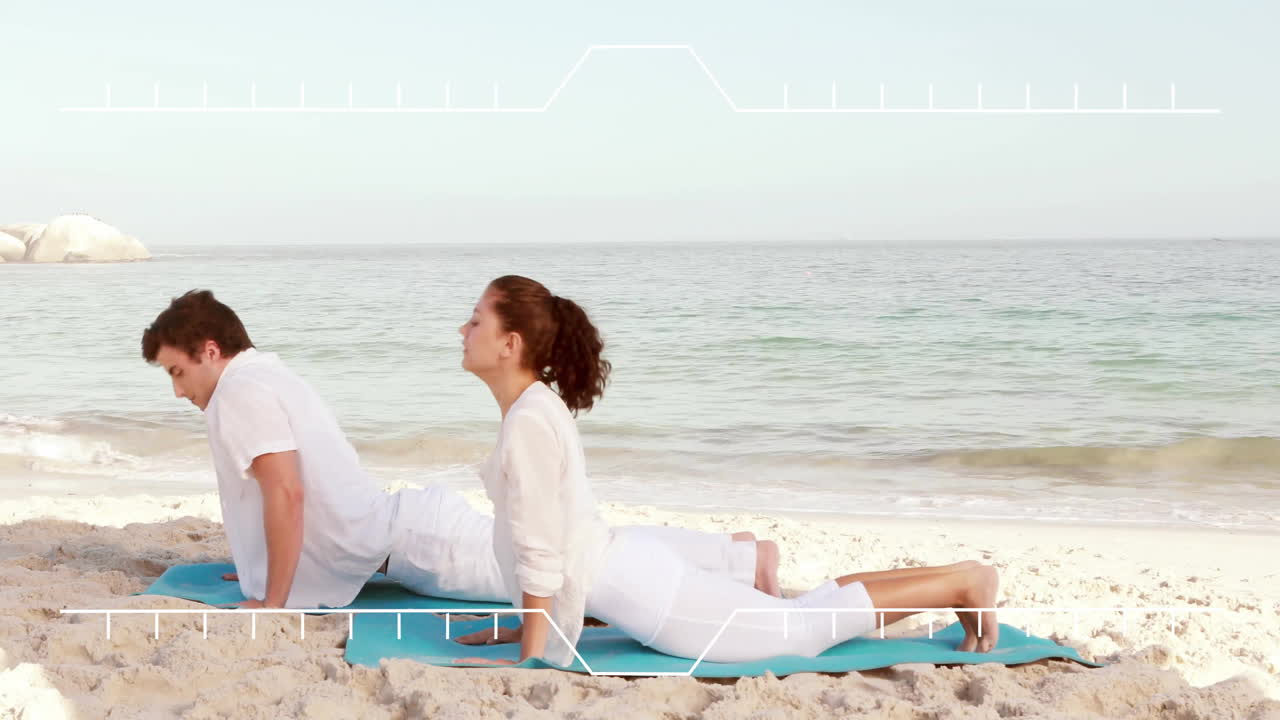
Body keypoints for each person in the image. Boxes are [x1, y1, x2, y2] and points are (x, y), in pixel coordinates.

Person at [458, 276, 1000, 667]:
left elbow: (540, 551)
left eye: (476, 319)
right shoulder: (533, 408)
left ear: (511, 343)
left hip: (651, 597)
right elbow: (551, 537)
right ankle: (955, 577)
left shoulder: (529, 418)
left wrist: (529, 656)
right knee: (804, 613)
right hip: (633, 571)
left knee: (802, 632)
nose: (464, 328)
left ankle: (962, 581)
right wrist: (521, 626)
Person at [140, 290, 784, 613]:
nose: (178, 391)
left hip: (423, 544)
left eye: (176, 372)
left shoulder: (238, 394)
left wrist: (271, 602)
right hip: (409, 534)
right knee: (584, 552)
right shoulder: (260, 373)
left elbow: (287, 491)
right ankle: (736, 554)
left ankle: (741, 558)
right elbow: (285, 494)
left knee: (586, 567)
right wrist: (260, 563)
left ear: (210, 352)